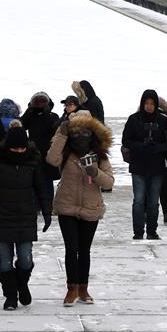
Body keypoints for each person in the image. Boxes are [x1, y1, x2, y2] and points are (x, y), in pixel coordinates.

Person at [0, 125, 51, 311]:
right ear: (8, 146)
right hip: (1, 216)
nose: (19, 151)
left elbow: (41, 187)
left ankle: (22, 284)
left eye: (22, 148)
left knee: (25, 258)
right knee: (5, 260)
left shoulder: (33, 160)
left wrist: (47, 211)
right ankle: (10, 296)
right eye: (15, 148)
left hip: (26, 215)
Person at [47, 112, 114, 305]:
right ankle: (71, 289)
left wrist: (95, 172)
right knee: (71, 248)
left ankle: (83, 289)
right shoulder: (65, 151)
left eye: (86, 132)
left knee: (84, 250)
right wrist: (62, 134)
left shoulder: (100, 155)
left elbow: (109, 182)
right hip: (67, 206)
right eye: (77, 132)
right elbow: (51, 159)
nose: (81, 137)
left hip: (90, 208)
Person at [121, 90, 167, 240]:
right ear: (142, 104)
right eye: (146, 103)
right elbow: (126, 141)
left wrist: (158, 147)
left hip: (156, 167)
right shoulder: (134, 119)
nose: (149, 106)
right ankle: (138, 232)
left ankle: (151, 231)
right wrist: (140, 145)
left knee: (153, 202)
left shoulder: (162, 121)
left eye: (152, 104)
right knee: (139, 200)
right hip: (139, 166)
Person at [21, 91, 60, 206]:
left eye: (43, 102)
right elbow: (21, 125)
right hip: (33, 153)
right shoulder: (31, 116)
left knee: (47, 180)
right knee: (34, 179)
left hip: (48, 153)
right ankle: (36, 204)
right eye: (37, 102)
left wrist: (46, 113)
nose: (39, 105)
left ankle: (48, 204)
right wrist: (29, 110)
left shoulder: (53, 116)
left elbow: (53, 128)